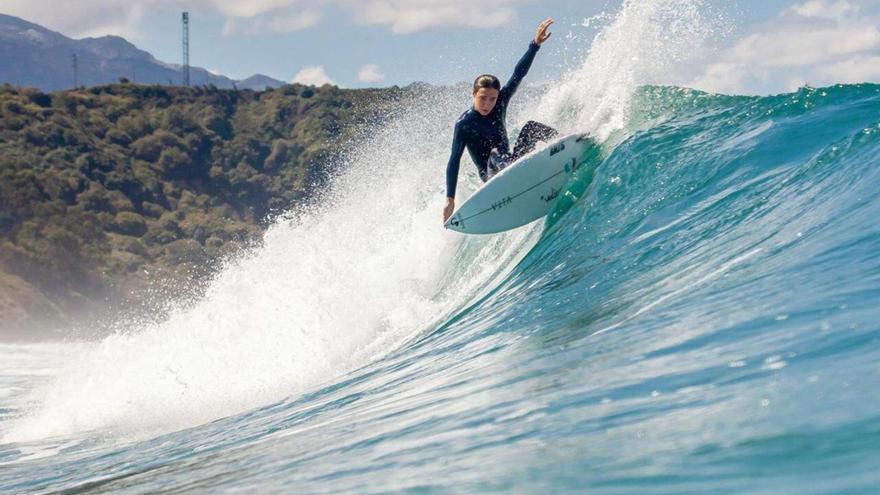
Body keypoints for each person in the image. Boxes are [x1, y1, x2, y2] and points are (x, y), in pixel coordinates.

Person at [443, 18, 559, 223]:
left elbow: (518, 75)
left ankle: (567, 140)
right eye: (482, 98)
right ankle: (513, 174)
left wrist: (535, 45)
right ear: (473, 94)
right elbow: (454, 160)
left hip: (512, 163)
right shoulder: (464, 124)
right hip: (492, 176)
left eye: (492, 98)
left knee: (531, 127)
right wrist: (450, 199)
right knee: (495, 154)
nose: (488, 103)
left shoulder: (500, 104)